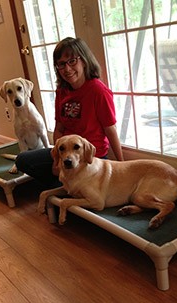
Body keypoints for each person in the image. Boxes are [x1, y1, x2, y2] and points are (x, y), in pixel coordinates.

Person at [15, 37, 123, 189]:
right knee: (22, 160)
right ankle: (63, 186)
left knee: (58, 203)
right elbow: (59, 129)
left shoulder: (98, 91)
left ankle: (63, 187)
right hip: (65, 153)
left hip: (89, 157)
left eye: (72, 61)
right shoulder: (61, 91)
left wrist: (121, 165)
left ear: (84, 61)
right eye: (61, 64)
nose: (67, 69)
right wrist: (56, 161)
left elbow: (110, 129)